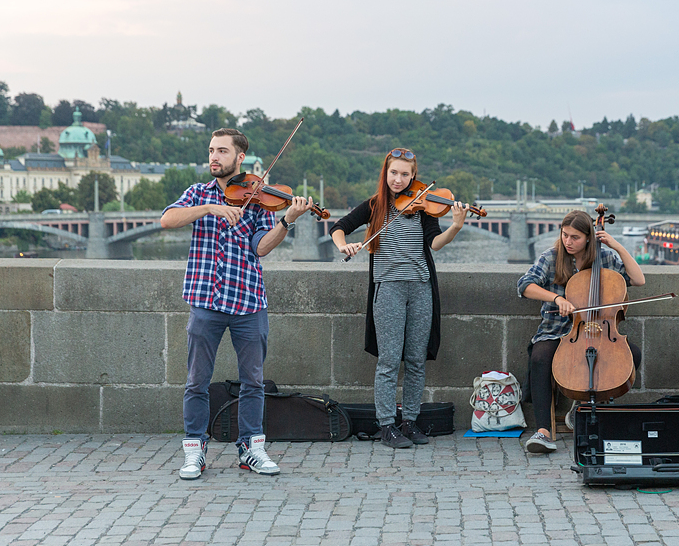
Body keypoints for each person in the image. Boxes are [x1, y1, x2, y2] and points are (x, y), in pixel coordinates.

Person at [161, 127, 314, 480]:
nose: (214, 157)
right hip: (205, 300)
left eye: (222, 151)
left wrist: (287, 221)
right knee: (196, 381)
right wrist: (211, 208)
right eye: (211, 150)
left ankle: (251, 448)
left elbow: (261, 247)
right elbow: (167, 219)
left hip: (248, 301)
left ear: (240, 157)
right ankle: (194, 449)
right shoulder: (199, 193)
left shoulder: (258, 197)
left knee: (253, 381)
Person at [330, 148, 469, 449]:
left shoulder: (423, 208)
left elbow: (435, 244)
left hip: (420, 287)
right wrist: (344, 246)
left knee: (417, 360)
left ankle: (411, 421)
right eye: (394, 172)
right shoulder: (375, 206)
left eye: (405, 174)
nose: (399, 179)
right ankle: (386, 425)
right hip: (389, 288)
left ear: (413, 176)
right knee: (390, 360)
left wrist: (456, 225)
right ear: (386, 172)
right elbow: (338, 227)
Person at [517, 210, 646, 453]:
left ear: (589, 237)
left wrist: (617, 246)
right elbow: (524, 285)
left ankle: (583, 408)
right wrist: (556, 298)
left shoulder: (604, 257)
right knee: (540, 357)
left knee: (632, 356)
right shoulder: (552, 256)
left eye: (575, 237)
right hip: (556, 329)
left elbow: (638, 280)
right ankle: (543, 431)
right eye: (565, 235)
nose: (568, 241)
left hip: (599, 330)